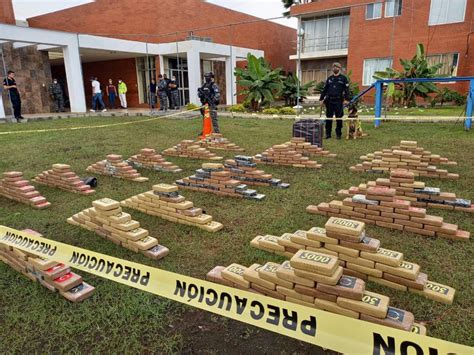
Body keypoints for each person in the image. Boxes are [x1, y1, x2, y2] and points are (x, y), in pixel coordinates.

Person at [320, 62, 350, 140]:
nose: (335, 68)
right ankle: (328, 134)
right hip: (329, 101)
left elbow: (347, 90)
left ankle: (338, 134)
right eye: (333, 67)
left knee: (339, 118)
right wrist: (321, 99)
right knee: (328, 118)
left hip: (338, 101)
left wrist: (346, 99)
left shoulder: (343, 78)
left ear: (339, 68)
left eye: (336, 67)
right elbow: (325, 89)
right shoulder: (329, 79)